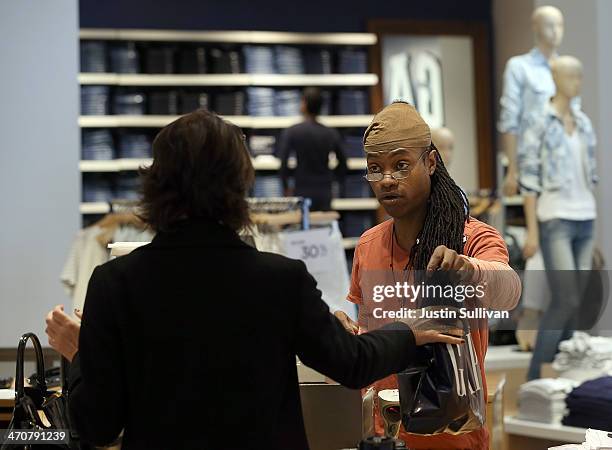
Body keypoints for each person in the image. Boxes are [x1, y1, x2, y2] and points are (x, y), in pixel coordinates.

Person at [45, 109, 464, 450]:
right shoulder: (278, 280)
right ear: (239, 184)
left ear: (154, 184)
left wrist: (80, 354)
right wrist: (408, 332)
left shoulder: (114, 283)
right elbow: (351, 363)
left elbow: (96, 425)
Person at [333, 101, 521, 449]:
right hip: (383, 435)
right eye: (376, 168)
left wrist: (469, 270)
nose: (387, 179)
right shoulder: (368, 244)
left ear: (430, 162)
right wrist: (350, 336)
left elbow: (507, 287)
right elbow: (373, 329)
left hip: (453, 437)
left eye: (401, 166)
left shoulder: (471, 238)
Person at [521, 56, 598, 380]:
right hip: (555, 218)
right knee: (564, 298)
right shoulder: (539, 121)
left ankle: (562, 376)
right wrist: (532, 231)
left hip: (585, 215)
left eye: (580, 76)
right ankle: (536, 377)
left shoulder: (583, 122)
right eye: (571, 76)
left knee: (575, 298)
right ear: (555, 78)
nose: (577, 82)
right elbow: (529, 178)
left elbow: (588, 173)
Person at [498, 5, 565, 196]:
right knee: (537, 222)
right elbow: (509, 120)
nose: (555, 31)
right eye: (549, 25)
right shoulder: (520, 67)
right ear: (535, 27)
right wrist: (512, 170)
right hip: (532, 161)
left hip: (562, 163)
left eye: (560, 25)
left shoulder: (566, 70)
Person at [278, 87, 347, 210]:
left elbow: (283, 163)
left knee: (303, 226)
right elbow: (343, 163)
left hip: (301, 189)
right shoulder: (331, 133)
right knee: (325, 226)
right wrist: (333, 178)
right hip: (324, 190)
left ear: (304, 104)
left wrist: (286, 187)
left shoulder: (292, 132)